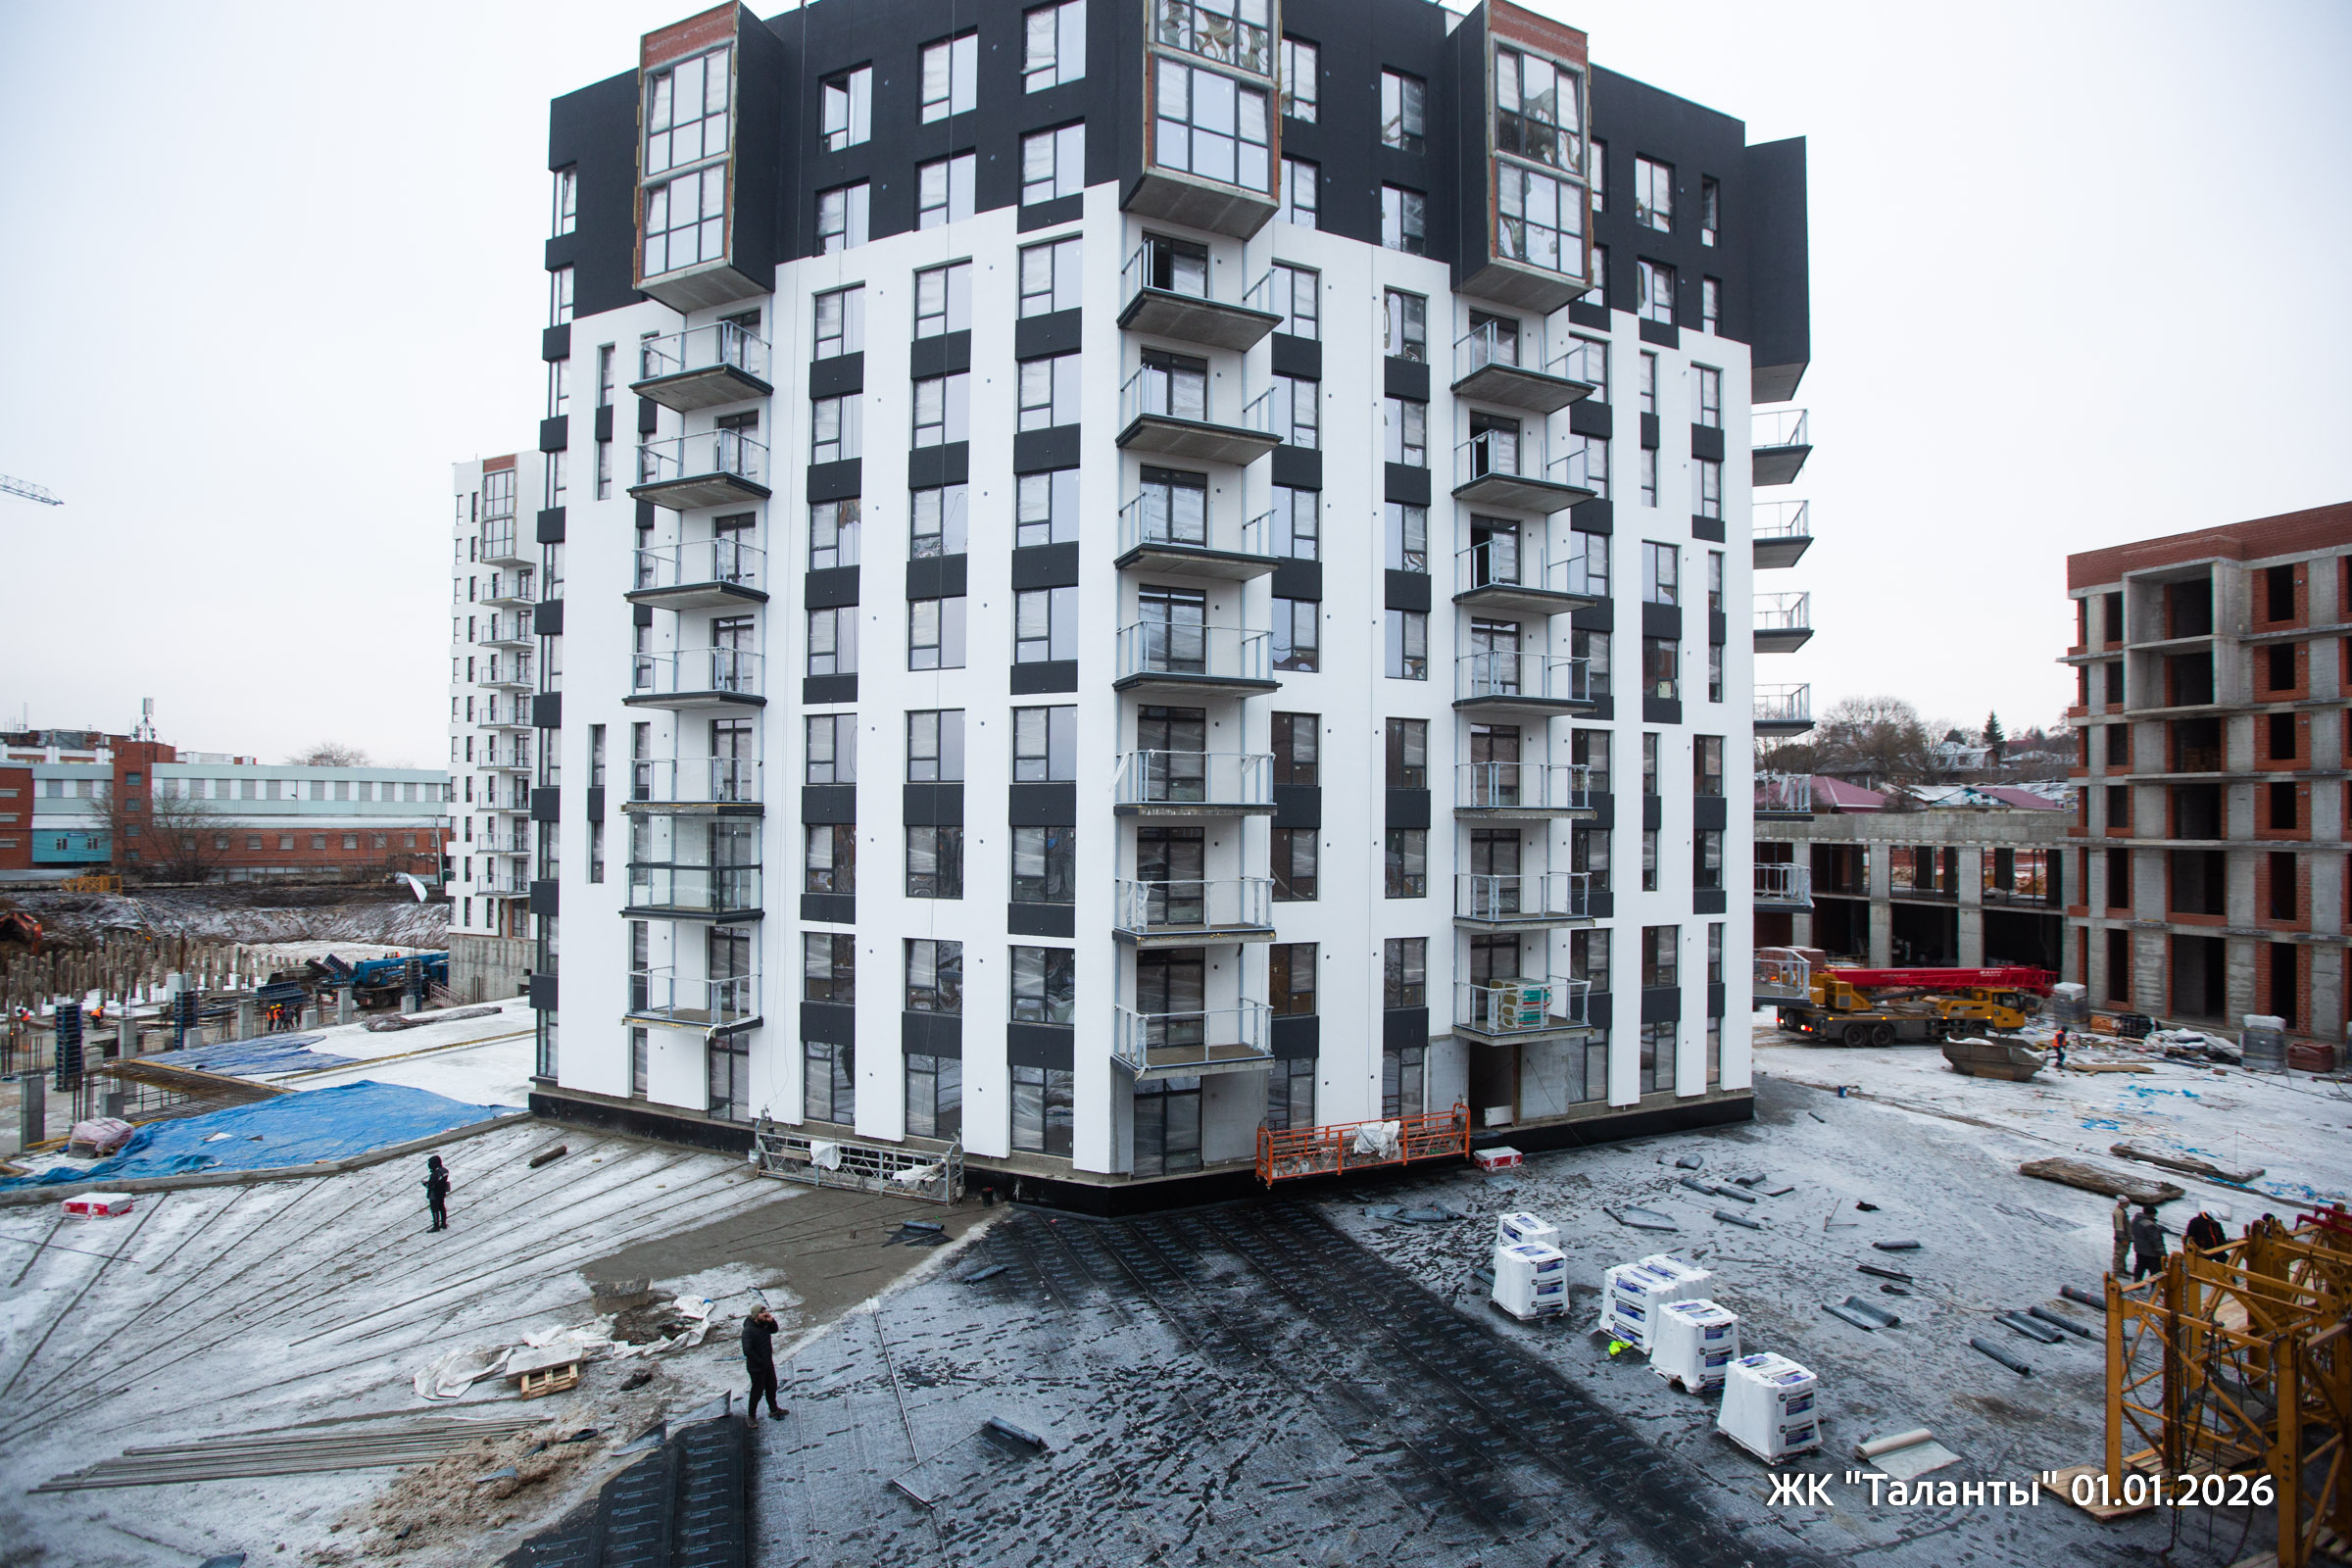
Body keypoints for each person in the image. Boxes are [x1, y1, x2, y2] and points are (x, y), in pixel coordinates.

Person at [742, 1304, 786, 1422]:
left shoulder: (765, 1325)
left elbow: (774, 1330)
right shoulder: (748, 1330)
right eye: (762, 1313)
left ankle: (774, 1409)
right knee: (757, 1392)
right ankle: (751, 1416)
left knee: (772, 1387)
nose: (765, 1314)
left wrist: (772, 1321)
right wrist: (760, 1362)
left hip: (767, 1364)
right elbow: (747, 1350)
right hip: (756, 1367)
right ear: (756, 1316)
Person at [2130, 1204, 2169, 1281]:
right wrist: (2162, 1253)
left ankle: (2137, 1282)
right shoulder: (2150, 1225)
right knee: (2155, 1271)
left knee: (2140, 1267)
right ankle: (2155, 1286)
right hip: (2151, 1253)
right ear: (2151, 1214)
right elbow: (2156, 1241)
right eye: (2154, 1214)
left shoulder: (2136, 1220)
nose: (2155, 1216)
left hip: (2139, 1249)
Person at [423, 1154, 452, 1233]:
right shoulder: (445, 1171)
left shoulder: (435, 1174)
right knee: (442, 1207)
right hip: (441, 1192)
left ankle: (436, 1226)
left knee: (435, 1210)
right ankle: (443, 1223)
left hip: (434, 1194)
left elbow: (430, 1185)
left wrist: (425, 1183)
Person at [2110, 1196, 2132, 1278]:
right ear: (2124, 1203)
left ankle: (2122, 1269)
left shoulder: (2121, 1211)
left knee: (2123, 1252)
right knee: (2119, 1253)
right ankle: (2117, 1271)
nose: (2129, 1204)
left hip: (2124, 1236)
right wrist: (2122, 1238)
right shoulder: (2119, 1213)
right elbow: (2119, 1227)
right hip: (2122, 1237)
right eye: (2128, 1203)